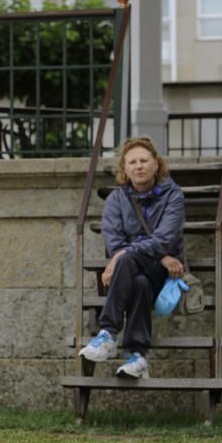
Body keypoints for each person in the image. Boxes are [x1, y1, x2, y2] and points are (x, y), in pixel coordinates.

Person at [78, 136, 185, 379]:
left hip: (163, 272)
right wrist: (127, 253)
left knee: (126, 260)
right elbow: (114, 241)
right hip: (139, 272)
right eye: (133, 162)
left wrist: (124, 254)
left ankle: (108, 332)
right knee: (139, 282)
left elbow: (164, 239)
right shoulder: (117, 199)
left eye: (144, 160)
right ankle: (138, 356)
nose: (139, 166)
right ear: (124, 169)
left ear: (156, 165)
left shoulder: (173, 195)